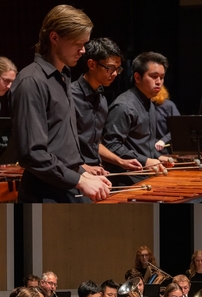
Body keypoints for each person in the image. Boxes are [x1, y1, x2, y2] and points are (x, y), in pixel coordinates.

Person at [10, 5, 111, 203]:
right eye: (77, 43)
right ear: (55, 38)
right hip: (44, 194)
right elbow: (32, 154)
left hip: (66, 186)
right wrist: (79, 180)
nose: (83, 50)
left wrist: (83, 172)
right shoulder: (31, 81)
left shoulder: (63, 77)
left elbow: (60, 145)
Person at [72, 38, 141, 173]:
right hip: (74, 175)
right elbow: (60, 145)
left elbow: (94, 143)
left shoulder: (102, 99)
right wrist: (82, 168)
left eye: (118, 69)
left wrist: (121, 161)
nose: (115, 74)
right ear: (91, 64)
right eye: (110, 68)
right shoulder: (69, 96)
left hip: (96, 172)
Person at [102, 52, 170, 186]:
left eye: (162, 77)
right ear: (137, 77)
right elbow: (111, 144)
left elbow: (142, 144)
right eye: (154, 76)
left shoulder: (149, 102)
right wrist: (145, 160)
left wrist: (157, 157)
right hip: (127, 180)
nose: (159, 82)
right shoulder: (124, 106)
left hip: (145, 176)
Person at [153, 86, 180, 153]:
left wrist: (163, 140)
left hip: (162, 150)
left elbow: (178, 128)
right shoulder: (140, 106)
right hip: (143, 151)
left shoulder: (168, 106)